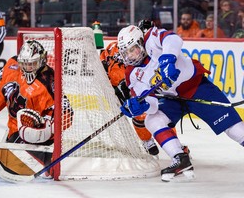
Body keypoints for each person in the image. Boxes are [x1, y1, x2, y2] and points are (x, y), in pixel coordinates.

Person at [117, 24, 244, 182]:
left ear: (141, 42)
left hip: (196, 87)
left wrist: (167, 59)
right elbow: (152, 102)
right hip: (173, 99)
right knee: (152, 119)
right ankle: (179, 157)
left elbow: (173, 39)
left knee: (236, 131)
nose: (131, 55)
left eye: (133, 49)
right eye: (126, 52)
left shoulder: (151, 38)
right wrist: (142, 105)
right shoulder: (132, 74)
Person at [0, 40, 73, 177]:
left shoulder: (49, 80)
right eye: (24, 63)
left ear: (41, 61)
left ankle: (46, 160)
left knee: (36, 169)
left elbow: (67, 111)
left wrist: (49, 128)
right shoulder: (11, 66)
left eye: (32, 63)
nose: (27, 67)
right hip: (15, 133)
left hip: (39, 135)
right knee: (8, 167)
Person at [99, 41, 159, 156]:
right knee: (137, 112)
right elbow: (107, 67)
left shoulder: (143, 48)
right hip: (117, 85)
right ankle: (146, 140)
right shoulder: (113, 51)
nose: (130, 53)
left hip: (136, 81)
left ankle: (173, 142)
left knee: (160, 111)